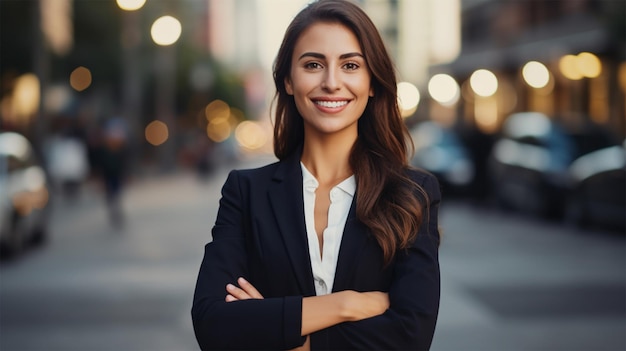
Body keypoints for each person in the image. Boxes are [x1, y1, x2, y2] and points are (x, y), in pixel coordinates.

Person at [191, 0, 442, 350]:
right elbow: (213, 325)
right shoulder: (245, 192)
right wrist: (347, 305)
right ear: (289, 81)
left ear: (372, 83)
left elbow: (411, 335)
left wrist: (286, 335)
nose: (331, 82)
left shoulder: (412, 193)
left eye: (351, 65)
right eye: (313, 64)